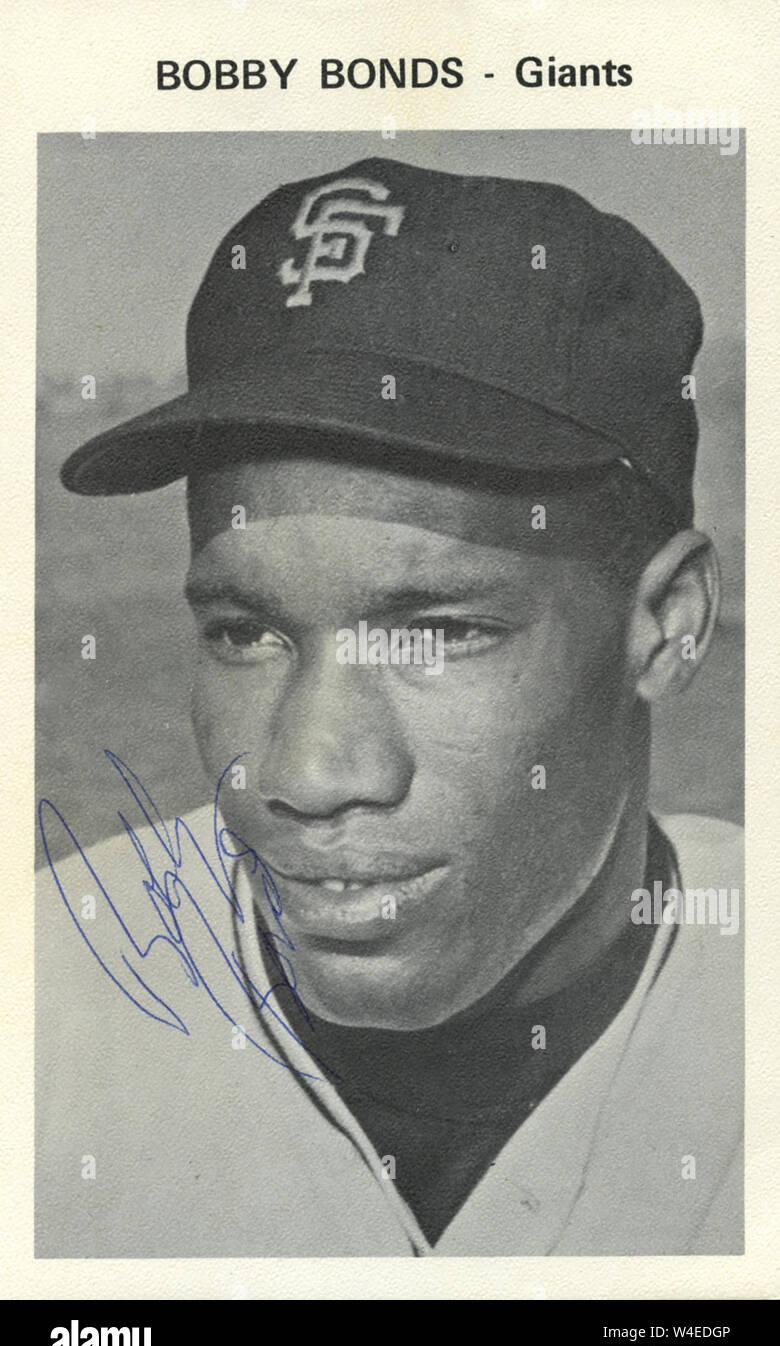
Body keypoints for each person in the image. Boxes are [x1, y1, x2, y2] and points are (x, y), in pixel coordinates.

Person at [36, 156, 743, 1257]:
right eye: (244, 634)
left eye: (439, 633)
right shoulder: (43, 1000)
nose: (307, 775)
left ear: (666, 623)